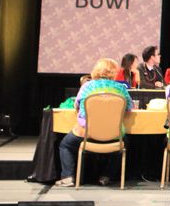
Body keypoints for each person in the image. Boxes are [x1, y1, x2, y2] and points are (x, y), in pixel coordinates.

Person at [56, 58, 133, 187]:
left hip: (86, 132)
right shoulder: (120, 88)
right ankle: (107, 175)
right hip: (113, 134)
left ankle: (67, 177)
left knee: (65, 145)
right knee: (124, 143)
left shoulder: (87, 86)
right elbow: (129, 107)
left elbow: (77, 104)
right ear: (114, 72)